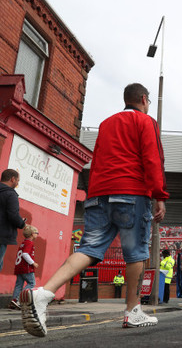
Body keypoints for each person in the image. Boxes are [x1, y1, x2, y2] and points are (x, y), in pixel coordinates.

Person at [20, 83, 169, 337]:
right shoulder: (146, 122)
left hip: (99, 193)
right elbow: (153, 158)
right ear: (144, 99)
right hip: (132, 193)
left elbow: (98, 157)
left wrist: (93, 191)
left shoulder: (107, 123)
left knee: (89, 248)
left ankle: (43, 294)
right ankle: (132, 311)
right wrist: (159, 195)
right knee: (136, 253)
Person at [0, 169, 27, 272]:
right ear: (12, 179)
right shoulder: (11, 194)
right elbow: (13, 215)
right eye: (17, 180)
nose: (17, 183)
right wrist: (22, 223)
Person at [8, 225, 39, 310]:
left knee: (19, 285)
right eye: (37, 233)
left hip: (19, 267)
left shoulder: (23, 243)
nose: (37, 234)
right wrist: (33, 263)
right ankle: (21, 298)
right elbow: (25, 254)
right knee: (32, 283)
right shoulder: (30, 243)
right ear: (32, 234)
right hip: (27, 268)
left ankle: (15, 300)